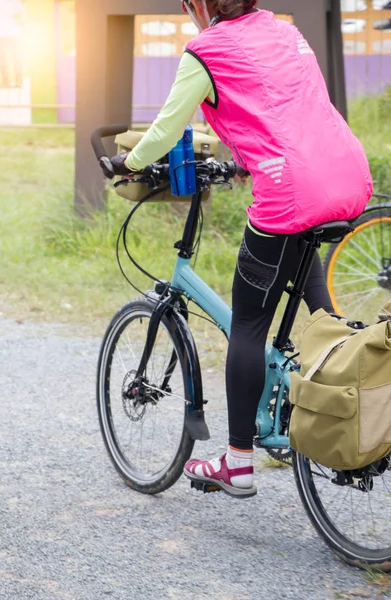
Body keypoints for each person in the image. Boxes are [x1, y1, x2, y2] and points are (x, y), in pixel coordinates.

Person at [116, 0, 373, 498]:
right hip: (341, 173)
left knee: (250, 324)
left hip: (289, 192)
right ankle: (357, 402)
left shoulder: (205, 50)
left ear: (201, 4)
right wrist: (243, 159)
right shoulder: (283, 30)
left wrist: (130, 162)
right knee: (325, 318)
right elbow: (284, 107)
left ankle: (237, 461)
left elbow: (166, 130)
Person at [0, 0, 25, 88]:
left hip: (13, 32)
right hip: (0, 32)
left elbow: (21, 12)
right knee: (3, 58)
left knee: (16, 57)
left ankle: (18, 82)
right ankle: (6, 82)